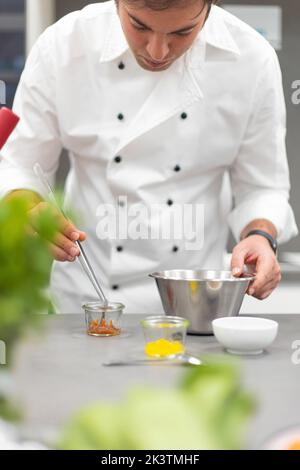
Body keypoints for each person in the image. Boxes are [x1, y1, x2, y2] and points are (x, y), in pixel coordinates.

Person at [0, 0, 298, 313]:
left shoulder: (251, 59)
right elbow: (20, 164)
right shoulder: (63, 46)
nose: (157, 51)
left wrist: (261, 236)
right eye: (139, 26)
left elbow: (263, 187)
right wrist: (29, 209)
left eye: (182, 32)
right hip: (84, 304)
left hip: (193, 303)